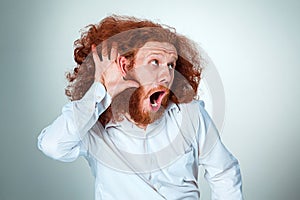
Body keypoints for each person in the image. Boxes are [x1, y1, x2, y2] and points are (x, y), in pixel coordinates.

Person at [37, 15, 243, 200]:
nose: (167, 75)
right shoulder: (94, 122)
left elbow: (224, 172)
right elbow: (53, 145)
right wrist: (101, 89)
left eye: (171, 65)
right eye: (155, 62)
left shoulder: (191, 114)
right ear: (125, 67)